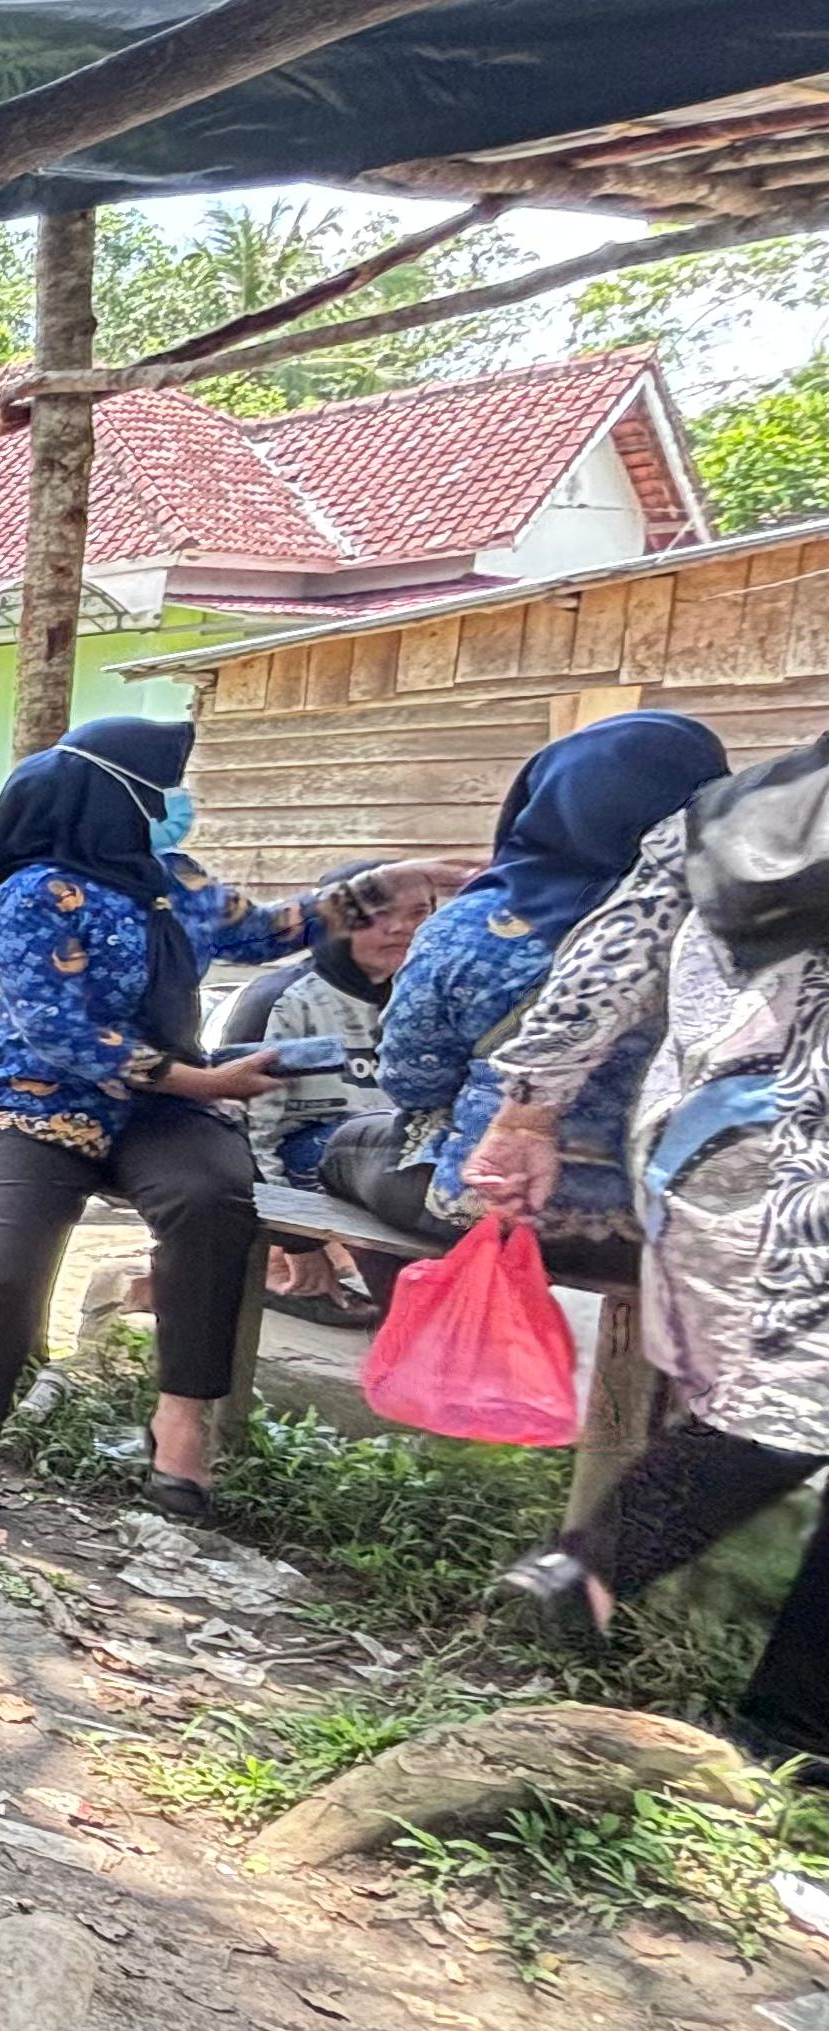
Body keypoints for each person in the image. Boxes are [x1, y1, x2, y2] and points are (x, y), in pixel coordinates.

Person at [0, 719, 459, 1531]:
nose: (168, 806)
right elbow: (64, 1035)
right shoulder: (28, 896)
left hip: (164, 1107)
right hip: (36, 1101)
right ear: (111, 797)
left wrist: (384, 883)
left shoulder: (175, 881)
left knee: (212, 1204)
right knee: (9, 1263)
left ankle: (181, 1418)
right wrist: (209, 1081)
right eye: (156, 790)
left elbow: (267, 930)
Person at [474, 735, 829, 1768]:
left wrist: (527, 1113)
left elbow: (602, 971)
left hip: (715, 1152)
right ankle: (787, 1725)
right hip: (788, 1163)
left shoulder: (727, 812)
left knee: (778, 1401)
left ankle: (586, 1574)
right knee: (784, 1404)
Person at [343, 712, 734, 1277]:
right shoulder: (739, 927)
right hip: (673, 1226)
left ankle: (394, 1321)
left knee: (343, 1148)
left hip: (499, 1200)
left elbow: (411, 1081)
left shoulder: (472, 926)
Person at [209, 860, 423, 1326]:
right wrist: (296, 1242)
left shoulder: (426, 994)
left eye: (418, 914)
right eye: (375, 915)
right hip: (314, 1162)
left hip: (397, 1159)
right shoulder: (285, 1001)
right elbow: (242, 1131)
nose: (400, 929)